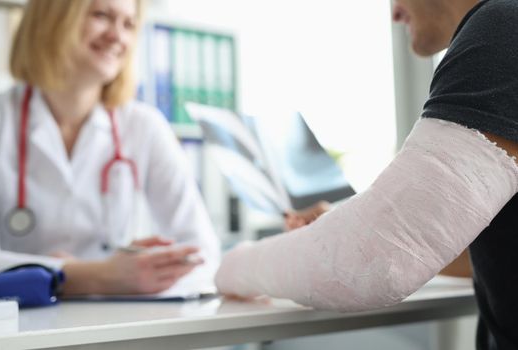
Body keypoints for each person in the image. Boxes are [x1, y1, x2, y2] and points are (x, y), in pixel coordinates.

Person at [215, 0, 518, 349]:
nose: (394, 13)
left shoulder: (504, 26)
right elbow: (490, 257)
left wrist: (232, 267)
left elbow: (371, 263)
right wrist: (336, 229)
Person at [0, 0, 220, 296]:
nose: (118, 37)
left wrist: (151, 268)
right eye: (102, 15)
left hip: (115, 326)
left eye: (128, 24)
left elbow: (203, 254)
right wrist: (96, 275)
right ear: (50, 20)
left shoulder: (144, 126)